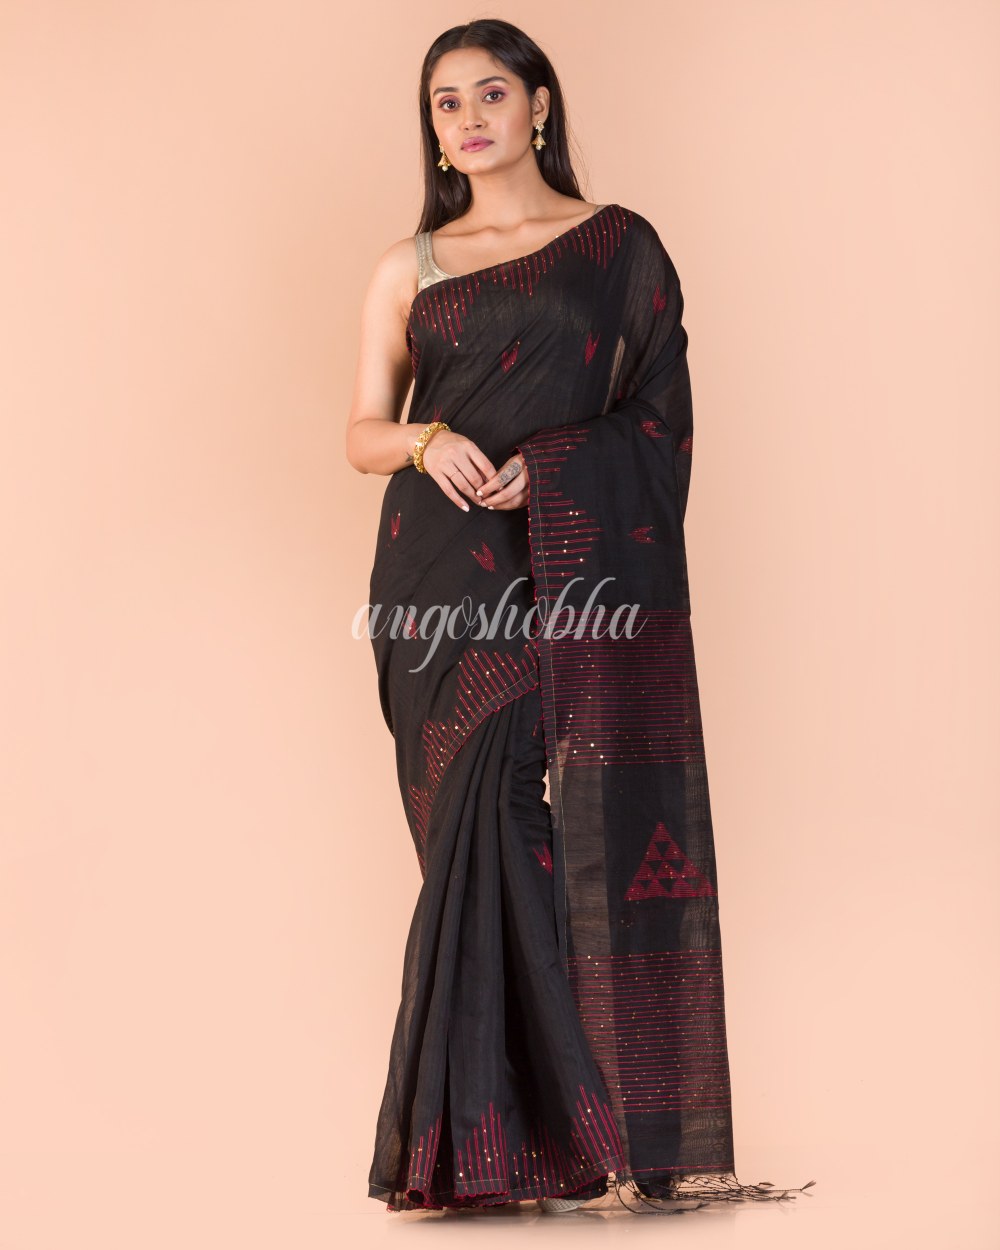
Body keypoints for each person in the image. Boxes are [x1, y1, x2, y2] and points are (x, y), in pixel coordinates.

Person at [347, 18, 814, 1216]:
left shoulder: (617, 248)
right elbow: (360, 433)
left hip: (565, 563)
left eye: (490, 93)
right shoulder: (410, 265)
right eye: (445, 102)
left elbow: (659, 417)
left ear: (539, 104)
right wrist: (428, 438)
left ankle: (568, 1135)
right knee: (473, 827)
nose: (468, 119)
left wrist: (552, 465)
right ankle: (523, 1145)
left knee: (510, 813)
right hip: (433, 575)